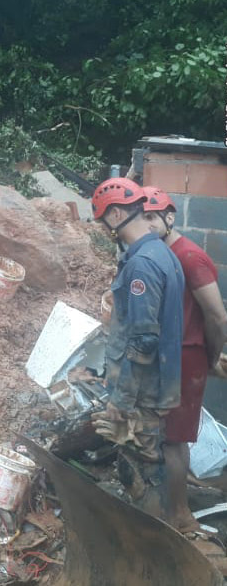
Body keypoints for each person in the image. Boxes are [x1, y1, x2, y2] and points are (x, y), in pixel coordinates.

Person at [90, 177, 185, 518]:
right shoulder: (161, 252)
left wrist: (121, 399)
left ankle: (154, 545)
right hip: (154, 385)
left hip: (143, 391)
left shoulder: (142, 264)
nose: (102, 229)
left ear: (115, 215)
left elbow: (144, 341)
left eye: (102, 220)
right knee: (148, 460)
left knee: (143, 468)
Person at [142, 186, 227, 533]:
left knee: (175, 440)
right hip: (166, 356)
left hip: (187, 355)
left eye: (151, 217)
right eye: (140, 217)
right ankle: (163, 506)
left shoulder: (189, 256)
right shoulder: (159, 253)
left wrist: (210, 356)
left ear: (170, 217)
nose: (145, 224)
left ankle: (180, 515)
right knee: (163, 437)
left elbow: (217, 316)